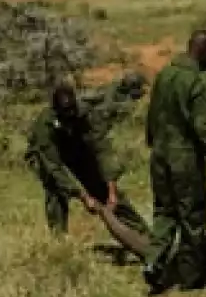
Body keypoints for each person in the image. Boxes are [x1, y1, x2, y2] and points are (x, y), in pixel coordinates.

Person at [143, 31, 206, 294]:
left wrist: (153, 142)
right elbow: (202, 127)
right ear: (203, 51)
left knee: (164, 212)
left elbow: (152, 114)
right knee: (191, 215)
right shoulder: (198, 82)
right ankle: (190, 275)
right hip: (185, 157)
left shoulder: (165, 74)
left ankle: (153, 263)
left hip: (159, 153)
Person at [26, 83, 152, 242]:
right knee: (55, 187)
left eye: (72, 109)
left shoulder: (86, 113)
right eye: (65, 112)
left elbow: (102, 149)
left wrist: (111, 188)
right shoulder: (45, 125)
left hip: (78, 150)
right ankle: (59, 240)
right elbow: (54, 167)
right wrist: (83, 196)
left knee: (105, 189)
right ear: (56, 109)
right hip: (47, 158)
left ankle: (145, 235)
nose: (70, 114)